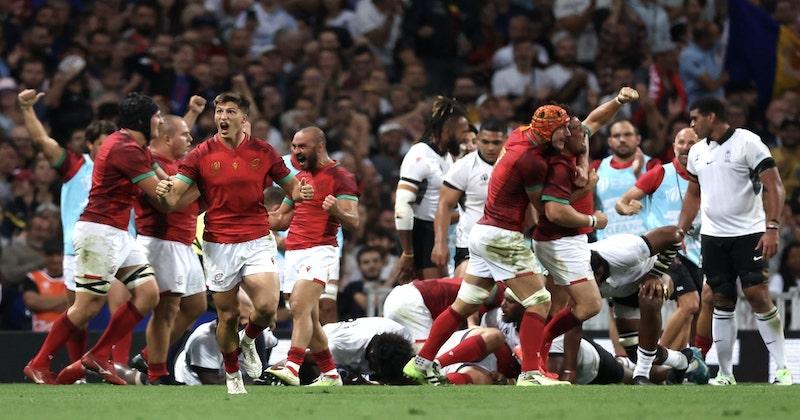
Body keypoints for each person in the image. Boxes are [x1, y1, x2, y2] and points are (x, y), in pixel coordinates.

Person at [156, 92, 313, 394]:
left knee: (267, 308)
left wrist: (299, 195)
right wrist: (165, 191)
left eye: (230, 112)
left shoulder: (263, 152)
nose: (223, 117)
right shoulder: (201, 154)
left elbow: (292, 187)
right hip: (218, 244)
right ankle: (232, 374)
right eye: (218, 112)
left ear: (244, 118)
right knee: (226, 316)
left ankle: (249, 341)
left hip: (256, 238)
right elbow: (174, 199)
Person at [403, 105, 572, 386]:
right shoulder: (531, 161)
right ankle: (531, 374)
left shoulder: (519, 137)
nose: (566, 133)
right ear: (549, 130)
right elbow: (542, 208)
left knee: (465, 303)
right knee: (540, 301)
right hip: (502, 236)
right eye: (563, 127)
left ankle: (421, 362)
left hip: (481, 233)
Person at [26, 92, 166, 386]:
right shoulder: (124, 148)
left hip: (119, 234)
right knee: (86, 307)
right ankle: (39, 363)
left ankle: (100, 354)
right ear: (142, 119)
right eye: (156, 116)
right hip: (99, 233)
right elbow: (161, 195)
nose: (160, 121)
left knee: (148, 293)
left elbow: (163, 179)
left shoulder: (135, 147)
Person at [678, 97, 792, 386]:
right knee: (721, 299)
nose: (691, 124)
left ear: (711, 116)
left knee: (757, 295)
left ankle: (782, 369)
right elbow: (694, 193)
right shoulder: (696, 152)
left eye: (695, 118)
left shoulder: (748, 142)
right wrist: (682, 228)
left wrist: (773, 227)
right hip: (713, 237)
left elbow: (774, 186)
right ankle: (725, 373)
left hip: (749, 234)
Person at [534, 88, 639, 378]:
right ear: (563, 137)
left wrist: (618, 101)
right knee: (577, 304)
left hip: (575, 237)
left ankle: (556, 369)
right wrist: (592, 210)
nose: (587, 133)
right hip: (561, 238)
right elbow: (555, 210)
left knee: (568, 306)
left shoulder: (577, 144)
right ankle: (541, 362)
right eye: (579, 130)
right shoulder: (559, 166)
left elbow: (595, 119)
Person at [265, 127, 359, 386]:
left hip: (320, 250)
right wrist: (249, 218)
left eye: (301, 146)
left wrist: (338, 210)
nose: (296, 152)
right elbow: (282, 219)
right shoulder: (300, 179)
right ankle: (330, 374)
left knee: (299, 306)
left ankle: (292, 366)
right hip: (293, 252)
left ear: (319, 147)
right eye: (294, 146)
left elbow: (354, 222)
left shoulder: (342, 177)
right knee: (308, 316)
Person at [132, 113, 204, 384]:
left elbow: (194, 204)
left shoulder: (178, 164)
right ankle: (157, 372)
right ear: (167, 138)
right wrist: (200, 186)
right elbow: (168, 203)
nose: (190, 138)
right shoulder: (148, 164)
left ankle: (149, 355)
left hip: (183, 242)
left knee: (196, 304)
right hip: (160, 241)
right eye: (185, 135)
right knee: (167, 309)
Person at [616, 128, 702, 350]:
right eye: (681, 142)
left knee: (689, 314)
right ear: (674, 147)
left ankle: (671, 368)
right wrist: (627, 208)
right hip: (666, 252)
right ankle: (654, 357)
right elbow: (623, 201)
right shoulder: (660, 173)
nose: (686, 147)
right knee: (689, 305)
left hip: (696, 253)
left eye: (691, 142)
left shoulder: (708, 177)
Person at [588, 226, 704, 384]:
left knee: (650, 295)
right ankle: (683, 360)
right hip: (624, 291)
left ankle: (641, 375)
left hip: (653, 270)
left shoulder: (625, 252)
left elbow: (674, 234)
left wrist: (654, 275)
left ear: (599, 272)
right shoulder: (573, 272)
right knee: (637, 353)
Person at [394, 96, 470, 282]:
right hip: (425, 236)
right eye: (462, 132)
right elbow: (403, 207)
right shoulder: (419, 155)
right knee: (434, 301)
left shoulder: (447, 156)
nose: (465, 138)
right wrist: (408, 252)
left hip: (449, 235)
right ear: (446, 130)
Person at [432, 119, 507, 279]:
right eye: (485, 142)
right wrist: (440, 244)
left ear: (505, 140)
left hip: (508, 244)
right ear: (478, 139)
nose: (491, 147)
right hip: (470, 246)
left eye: (496, 142)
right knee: (462, 290)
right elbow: (444, 205)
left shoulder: (516, 165)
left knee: (530, 298)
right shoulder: (463, 167)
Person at [383, 277, 504, 348]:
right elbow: (475, 293)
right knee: (426, 354)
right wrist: (472, 325)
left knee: (403, 349)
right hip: (413, 302)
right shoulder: (500, 291)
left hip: (397, 297)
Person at [594, 120, 655, 240]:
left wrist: (639, 175)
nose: (622, 139)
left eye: (627, 134)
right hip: (606, 242)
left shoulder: (652, 165)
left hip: (644, 242)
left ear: (638, 139)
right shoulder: (596, 167)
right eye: (616, 136)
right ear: (609, 141)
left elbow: (662, 201)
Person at [22, 239, 67, 332]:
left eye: (58, 254)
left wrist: (44, 302)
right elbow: (32, 302)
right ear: (43, 256)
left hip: (68, 334)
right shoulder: (32, 277)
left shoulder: (73, 279)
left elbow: (78, 305)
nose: (55, 259)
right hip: (40, 334)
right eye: (50, 255)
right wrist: (66, 299)